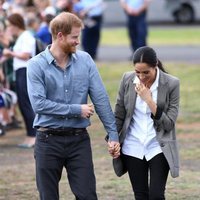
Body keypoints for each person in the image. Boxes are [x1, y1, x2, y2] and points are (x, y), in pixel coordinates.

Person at [27, 12, 120, 200]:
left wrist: (113, 134)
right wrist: (77, 109)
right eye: (74, 37)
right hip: (47, 141)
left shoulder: (85, 61)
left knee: (87, 196)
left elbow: (100, 99)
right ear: (60, 35)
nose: (78, 41)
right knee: (48, 196)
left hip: (79, 141)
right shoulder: (35, 65)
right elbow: (39, 104)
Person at [110, 46, 180, 199]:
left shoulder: (172, 84)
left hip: (158, 146)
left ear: (155, 67)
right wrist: (112, 139)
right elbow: (119, 115)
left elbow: (168, 125)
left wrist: (149, 100)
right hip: (133, 144)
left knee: (156, 195)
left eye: (146, 72)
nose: (141, 77)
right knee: (140, 195)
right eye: (137, 72)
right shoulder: (127, 80)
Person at [3, 13, 36, 147]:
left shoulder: (26, 37)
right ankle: (30, 135)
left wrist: (10, 53)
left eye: (10, 25)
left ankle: (33, 136)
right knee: (23, 104)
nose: (9, 28)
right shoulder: (21, 37)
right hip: (20, 71)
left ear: (16, 25)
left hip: (25, 71)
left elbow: (25, 55)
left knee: (26, 104)